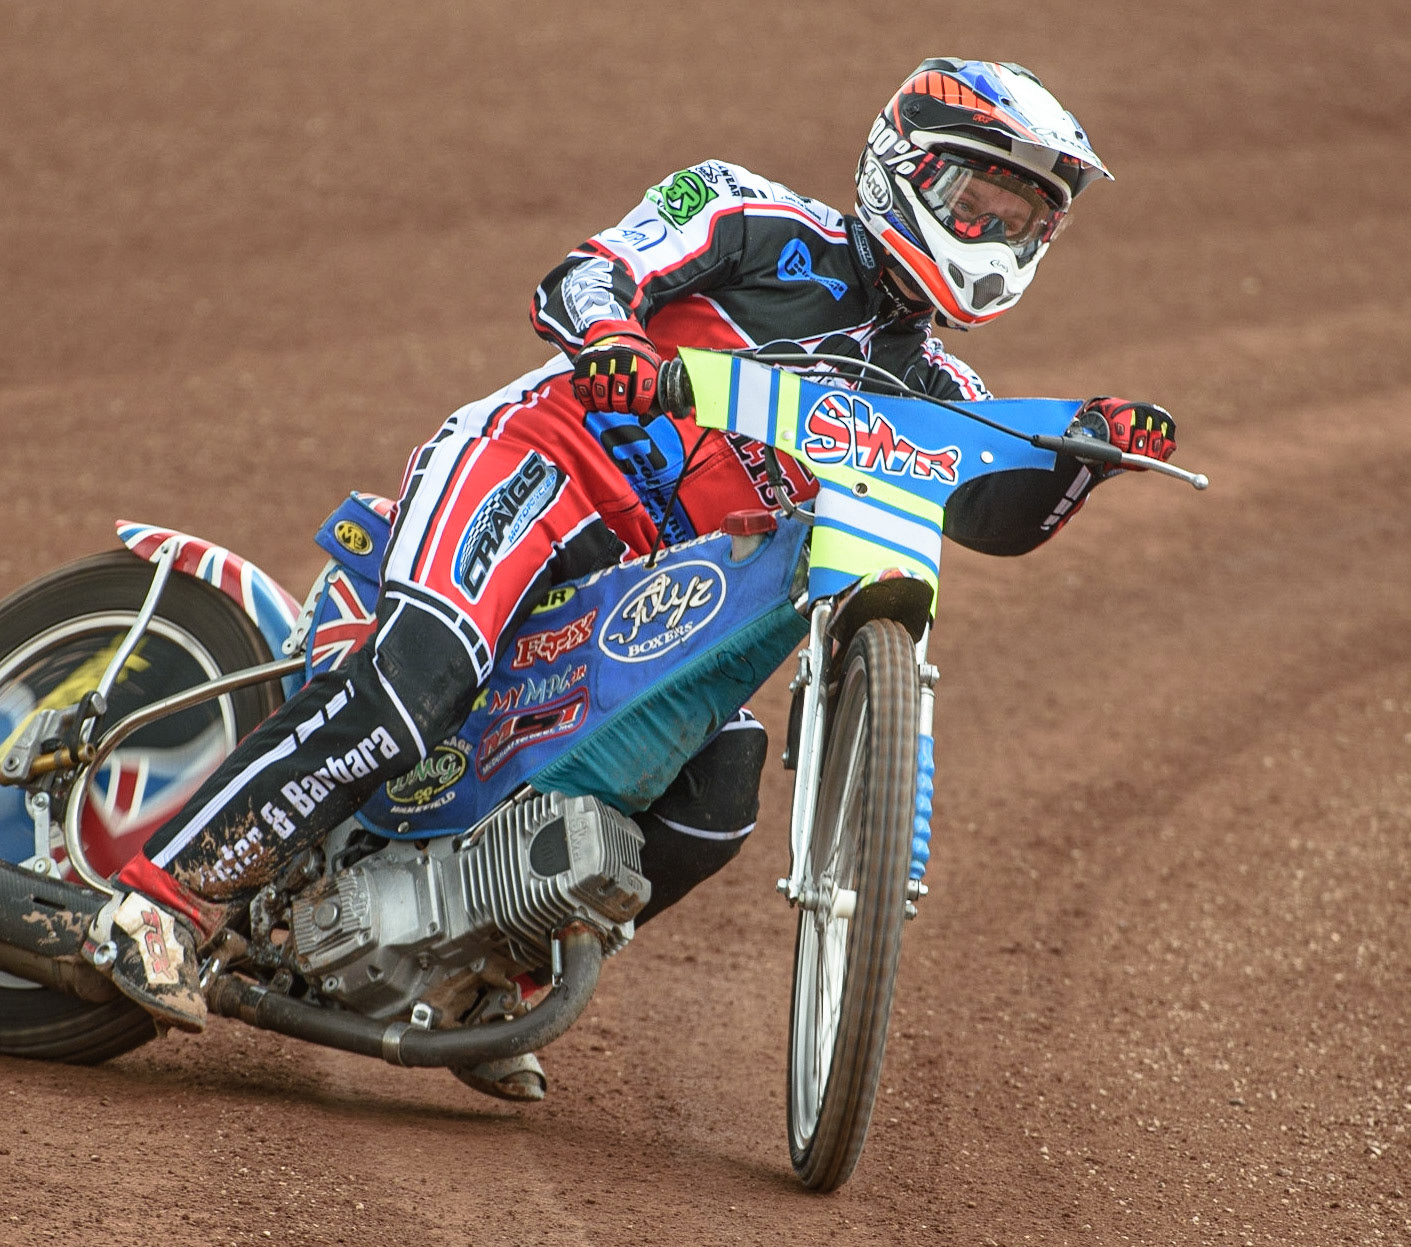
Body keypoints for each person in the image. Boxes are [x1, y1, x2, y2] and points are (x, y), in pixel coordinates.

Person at [96, 58, 1177, 1065]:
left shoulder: (943, 397)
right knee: (419, 680)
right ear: (904, 170)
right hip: (542, 468)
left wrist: (1092, 459)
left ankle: (486, 974)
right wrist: (613, 336)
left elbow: (995, 513)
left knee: (720, 787)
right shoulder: (752, 216)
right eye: (976, 201)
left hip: (650, 587)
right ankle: (165, 898)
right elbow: (584, 277)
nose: (992, 232)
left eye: (1022, 219)